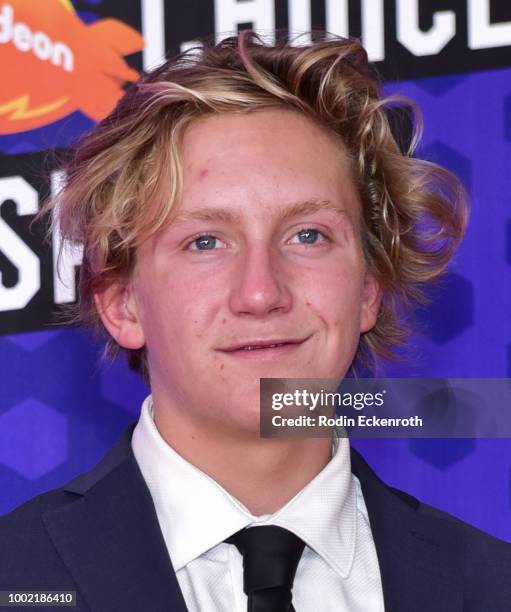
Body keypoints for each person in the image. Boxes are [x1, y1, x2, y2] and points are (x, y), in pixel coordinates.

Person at [1, 31, 510, 612]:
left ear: (368, 288)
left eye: (308, 235)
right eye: (206, 241)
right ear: (122, 303)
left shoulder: (493, 586)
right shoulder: (14, 577)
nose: (262, 292)